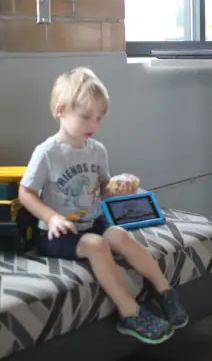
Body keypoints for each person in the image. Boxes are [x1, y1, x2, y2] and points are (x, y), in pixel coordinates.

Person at [18, 67, 188, 344]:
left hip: (93, 220)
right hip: (59, 233)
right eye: (86, 117)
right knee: (97, 245)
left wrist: (119, 186)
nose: (93, 126)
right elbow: (26, 193)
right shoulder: (47, 153)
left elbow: (103, 188)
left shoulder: (97, 150)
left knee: (119, 235)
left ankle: (165, 291)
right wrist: (51, 218)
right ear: (61, 110)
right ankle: (129, 312)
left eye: (98, 119)